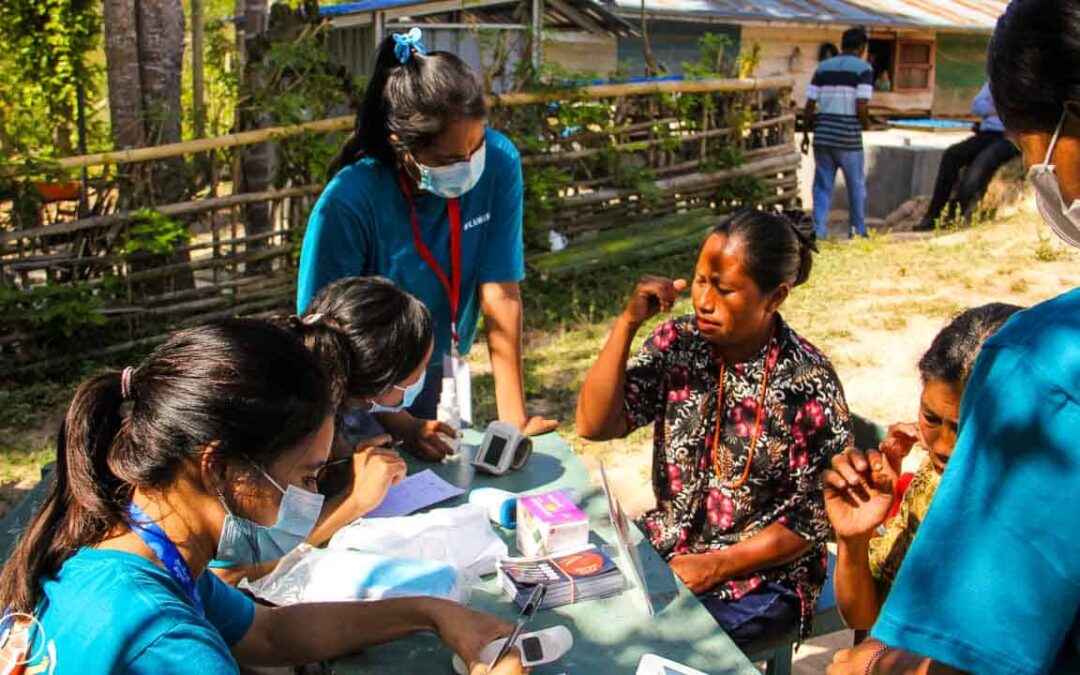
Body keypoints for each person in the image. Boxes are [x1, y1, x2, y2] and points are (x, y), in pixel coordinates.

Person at [0, 319, 520, 673]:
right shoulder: (166, 645)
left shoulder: (128, 544)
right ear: (220, 468)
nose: (314, 498)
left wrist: (431, 612)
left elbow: (268, 632)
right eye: (308, 477)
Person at [828, 0, 1080, 672]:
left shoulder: (1044, 366)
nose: (1046, 181)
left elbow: (965, 653)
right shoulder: (913, 490)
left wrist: (865, 665)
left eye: (1035, 153)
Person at [576, 209, 852, 647]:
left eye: (724, 289)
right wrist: (628, 324)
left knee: (660, 648)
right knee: (585, 609)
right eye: (701, 281)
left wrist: (718, 565)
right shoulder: (679, 345)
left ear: (774, 297)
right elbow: (594, 425)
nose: (704, 301)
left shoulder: (806, 382)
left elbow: (815, 518)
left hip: (764, 577)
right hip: (673, 544)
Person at [297, 28, 556, 443]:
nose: (469, 166)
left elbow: (501, 292)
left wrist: (513, 422)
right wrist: (402, 423)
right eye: (450, 159)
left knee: (451, 468)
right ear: (402, 145)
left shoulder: (500, 163)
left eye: (476, 149)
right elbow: (322, 341)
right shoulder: (348, 202)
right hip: (358, 388)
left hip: (439, 367)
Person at [212, 276, 442, 585]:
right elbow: (227, 573)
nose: (422, 379)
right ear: (380, 379)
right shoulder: (286, 424)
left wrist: (344, 465)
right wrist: (353, 501)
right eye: (418, 371)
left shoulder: (313, 396)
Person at [823, 303, 1021, 631]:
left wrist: (873, 661)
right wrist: (853, 539)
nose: (942, 447)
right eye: (930, 418)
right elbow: (864, 617)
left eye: (962, 427)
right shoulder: (931, 480)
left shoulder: (1023, 517)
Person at [916, 82, 1021, 231]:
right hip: (987, 133)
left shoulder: (1022, 81)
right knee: (952, 155)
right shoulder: (995, 80)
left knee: (980, 166)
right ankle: (933, 215)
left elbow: (1017, 111)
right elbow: (977, 106)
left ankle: (955, 216)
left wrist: (994, 107)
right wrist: (1000, 108)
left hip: (1010, 137)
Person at [802, 27, 873, 239]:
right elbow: (861, 104)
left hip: (823, 135)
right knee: (856, 186)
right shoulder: (863, 69)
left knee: (822, 186)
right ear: (861, 48)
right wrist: (866, 123)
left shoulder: (823, 68)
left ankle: (818, 230)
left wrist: (806, 133)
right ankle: (858, 230)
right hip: (847, 137)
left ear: (842, 45)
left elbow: (809, 104)